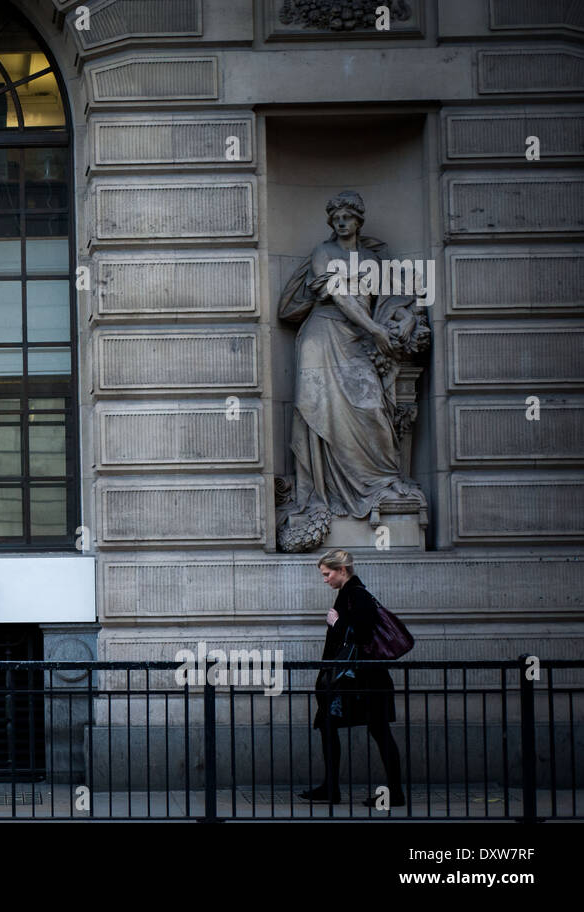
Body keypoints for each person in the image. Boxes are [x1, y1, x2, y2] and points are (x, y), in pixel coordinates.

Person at [276, 191, 428, 552]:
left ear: (359, 220)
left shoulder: (376, 257)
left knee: (371, 409)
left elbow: (399, 299)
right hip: (323, 336)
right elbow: (342, 296)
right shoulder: (324, 253)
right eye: (336, 217)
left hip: (360, 341)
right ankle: (323, 495)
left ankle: (381, 482)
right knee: (319, 411)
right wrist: (376, 331)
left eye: (348, 216)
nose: (341, 222)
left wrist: (404, 320)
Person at [300, 548, 404, 808]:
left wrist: (337, 624)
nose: (325, 580)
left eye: (327, 574)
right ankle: (331, 787)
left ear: (342, 571)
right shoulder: (350, 595)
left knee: (378, 731)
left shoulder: (356, 596)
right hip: (355, 679)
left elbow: (363, 634)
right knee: (331, 726)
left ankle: (393, 793)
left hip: (364, 680)